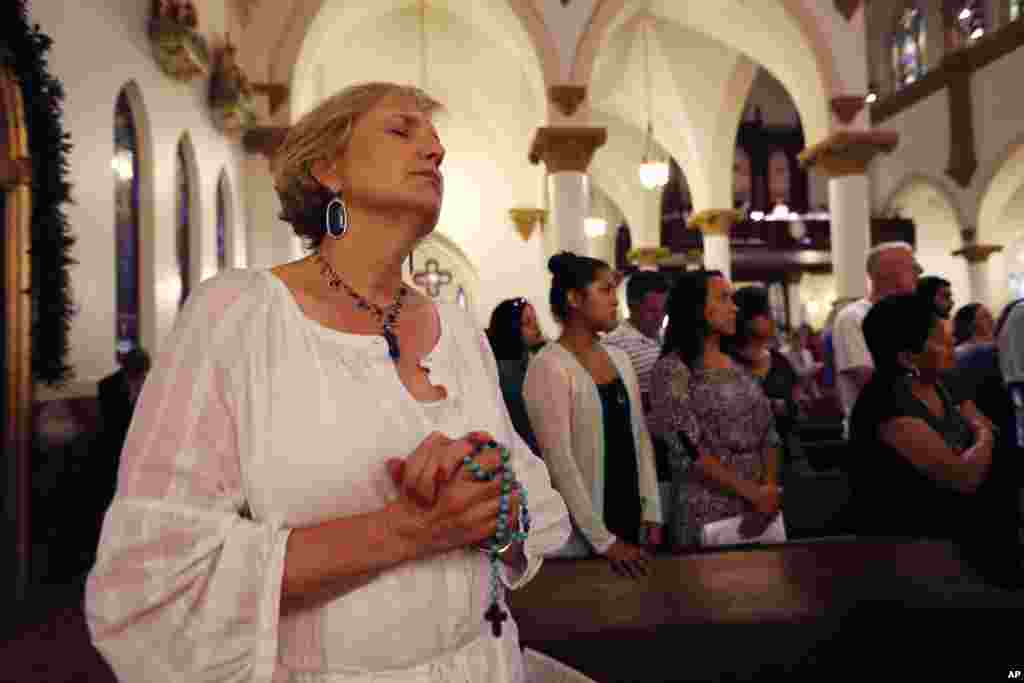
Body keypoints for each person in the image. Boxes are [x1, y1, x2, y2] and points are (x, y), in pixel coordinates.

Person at [85, 82, 570, 682]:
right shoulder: (238, 318)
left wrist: (487, 489)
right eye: (402, 131)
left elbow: (525, 517)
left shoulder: (460, 334)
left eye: (437, 141)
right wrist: (406, 529)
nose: (435, 151)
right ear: (327, 169)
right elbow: (150, 584)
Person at [523, 252, 663, 577]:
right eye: (605, 290)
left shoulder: (620, 359)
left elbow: (639, 438)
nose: (615, 301)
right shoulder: (549, 366)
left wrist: (652, 508)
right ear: (574, 298)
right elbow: (560, 462)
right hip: (584, 530)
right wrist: (603, 540)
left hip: (631, 515)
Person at [648, 270, 783, 550]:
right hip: (707, 505)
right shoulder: (673, 370)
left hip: (760, 504)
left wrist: (768, 489)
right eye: (724, 298)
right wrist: (753, 494)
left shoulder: (738, 366)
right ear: (698, 308)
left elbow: (769, 434)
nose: (734, 307)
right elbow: (688, 450)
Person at [847, 294, 993, 544]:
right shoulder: (885, 402)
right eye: (937, 338)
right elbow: (962, 477)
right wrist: (983, 434)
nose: (951, 340)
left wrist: (982, 434)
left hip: (961, 531)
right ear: (907, 358)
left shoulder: (940, 383)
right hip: (911, 548)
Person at [833, 241, 920, 430]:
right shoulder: (853, 318)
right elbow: (869, 383)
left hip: (915, 424)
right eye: (912, 266)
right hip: (875, 430)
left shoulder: (911, 318)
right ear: (886, 272)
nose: (919, 271)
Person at [603, 271, 672, 486]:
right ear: (632, 305)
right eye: (652, 311)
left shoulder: (664, 340)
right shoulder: (614, 345)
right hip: (641, 448)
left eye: (662, 311)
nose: (659, 318)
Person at [724, 286, 801, 470]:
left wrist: (788, 406)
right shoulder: (724, 361)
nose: (772, 320)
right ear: (746, 319)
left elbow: (794, 407)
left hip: (782, 459)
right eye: (765, 314)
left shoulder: (780, 362)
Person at [487, 297, 546, 455]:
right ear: (510, 329)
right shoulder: (506, 374)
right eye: (527, 322)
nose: (536, 327)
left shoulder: (532, 361)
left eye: (535, 320)